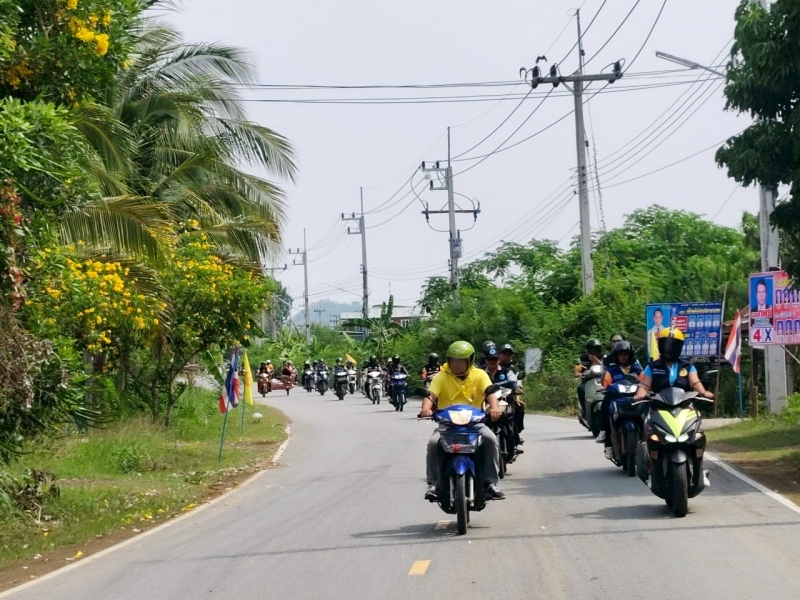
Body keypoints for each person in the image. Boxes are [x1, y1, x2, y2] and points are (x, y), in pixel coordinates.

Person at [419, 341, 505, 501]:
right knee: (433, 443)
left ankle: (491, 483)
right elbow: (430, 395)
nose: (456, 364)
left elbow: (490, 393)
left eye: (460, 361)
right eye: (453, 360)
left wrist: (494, 408)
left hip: (475, 424)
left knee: (491, 439)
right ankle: (433, 484)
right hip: (447, 425)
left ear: (470, 361)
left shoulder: (480, 375)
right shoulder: (441, 376)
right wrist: (426, 409)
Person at [634, 328, 714, 401]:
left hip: (685, 405)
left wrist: (704, 392)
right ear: (660, 346)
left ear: (679, 348)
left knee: (695, 413)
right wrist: (640, 394)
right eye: (666, 345)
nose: (669, 349)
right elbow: (645, 386)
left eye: (674, 346)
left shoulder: (688, 366)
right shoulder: (652, 367)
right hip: (658, 406)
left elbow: (695, 383)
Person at [597, 341, 643, 458]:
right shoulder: (611, 371)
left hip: (634, 398)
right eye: (621, 354)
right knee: (605, 406)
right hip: (617, 398)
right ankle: (608, 443)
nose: (623, 357)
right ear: (616, 356)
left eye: (626, 354)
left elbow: (644, 383)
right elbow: (606, 384)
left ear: (630, 355)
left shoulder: (637, 370)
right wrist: (605, 388)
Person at [483, 346, 524, 454]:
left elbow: (513, 382)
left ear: (498, 360)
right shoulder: (481, 373)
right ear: (486, 361)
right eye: (490, 359)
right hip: (486, 401)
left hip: (505, 399)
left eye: (495, 359)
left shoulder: (507, 371)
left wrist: (516, 389)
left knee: (512, 412)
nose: (492, 362)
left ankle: (516, 440)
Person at [498, 343, 526, 446]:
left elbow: (517, 386)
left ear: (512, 356)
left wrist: (517, 398)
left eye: (509, 354)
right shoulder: (492, 367)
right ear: (499, 355)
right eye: (504, 354)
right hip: (493, 397)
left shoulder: (513, 370)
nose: (506, 356)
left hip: (509, 397)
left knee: (518, 409)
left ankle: (515, 436)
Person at [575, 338, 604, 418]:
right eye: (593, 349)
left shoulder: (604, 357)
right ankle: (585, 411)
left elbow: (607, 368)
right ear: (588, 349)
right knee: (581, 389)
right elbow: (577, 370)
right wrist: (580, 374)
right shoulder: (583, 358)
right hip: (588, 381)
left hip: (602, 380)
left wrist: (596, 360)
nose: (595, 351)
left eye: (597, 348)